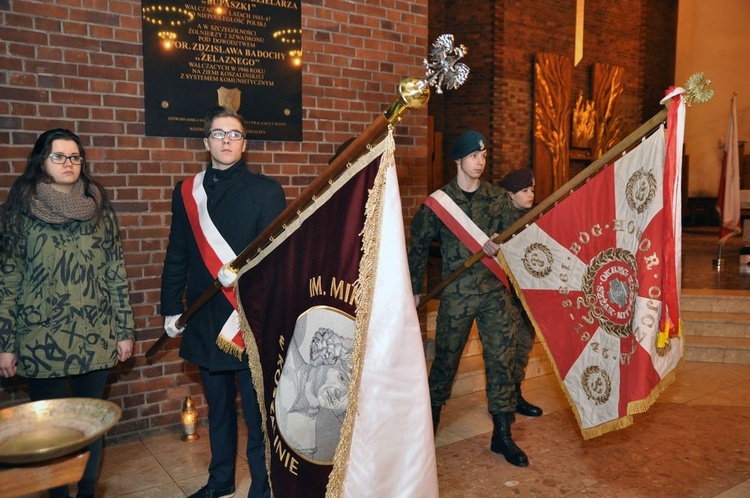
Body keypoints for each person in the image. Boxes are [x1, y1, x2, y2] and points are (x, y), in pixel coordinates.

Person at [0, 128, 135, 498]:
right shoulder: (18, 213)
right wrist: (5, 343)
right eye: (59, 156)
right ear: (41, 161)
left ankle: (87, 492)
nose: (69, 164)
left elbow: (115, 273)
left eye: (75, 157)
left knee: (90, 426)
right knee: (51, 431)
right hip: (40, 339)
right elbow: (8, 281)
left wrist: (124, 331)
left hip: (96, 333)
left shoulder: (98, 210)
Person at [160, 106, 286, 498]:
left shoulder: (267, 191)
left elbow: (279, 259)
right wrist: (171, 307)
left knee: (256, 414)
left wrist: (245, 275)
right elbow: (177, 251)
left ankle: (262, 489)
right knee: (217, 409)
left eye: (234, 134)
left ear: (245, 144)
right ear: (206, 142)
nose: (226, 140)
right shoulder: (186, 192)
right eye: (219, 134)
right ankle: (220, 482)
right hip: (206, 316)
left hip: (249, 319)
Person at [407, 130, 529, 467]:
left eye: (484, 156)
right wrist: (414, 287)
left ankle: (502, 435)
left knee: (501, 363)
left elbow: (517, 238)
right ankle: (425, 430)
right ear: (458, 160)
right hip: (457, 297)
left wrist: (501, 244)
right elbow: (417, 245)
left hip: (494, 295)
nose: (480, 162)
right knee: (445, 363)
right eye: (474, 156)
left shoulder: (498, 199)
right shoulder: (439, 202)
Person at [498, 168, 543, 418]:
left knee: (524, 346)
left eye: (532, 190)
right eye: (525, 190)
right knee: (506, 348)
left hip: (528, 293)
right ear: (510, 194)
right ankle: (502, 401)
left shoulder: (535, 217)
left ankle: (516, 395)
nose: (530, 195)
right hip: (506, 294)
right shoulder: (501, 219)